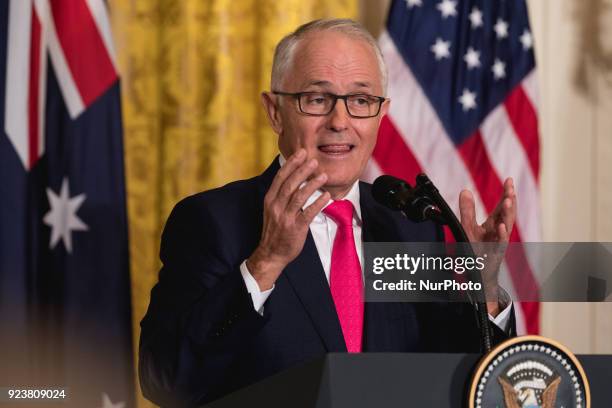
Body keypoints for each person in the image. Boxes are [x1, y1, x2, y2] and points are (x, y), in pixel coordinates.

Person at [139, 18, 517, 407]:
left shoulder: (410, 229)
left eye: (360, 101)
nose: (340, 122)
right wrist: (265, 263)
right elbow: (166, 380)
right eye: (317, 100)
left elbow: (460, 380)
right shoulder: (212, 222)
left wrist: (482, 292)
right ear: (274, 112)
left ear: (381, 113)